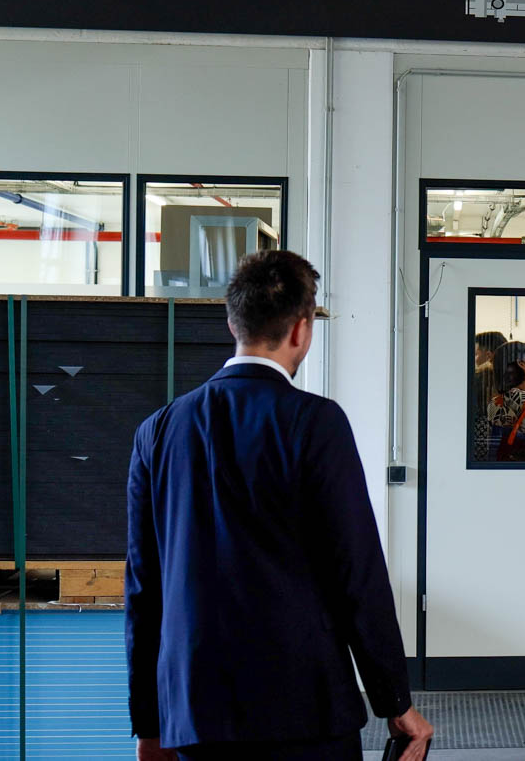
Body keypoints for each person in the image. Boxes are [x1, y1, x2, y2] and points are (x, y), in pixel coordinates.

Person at [125, 251, 433, 761]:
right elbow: (357, 572)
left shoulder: (157, 432)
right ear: (302, 331)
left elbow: (143, 587)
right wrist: (394, 701)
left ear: (232, 323)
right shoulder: (315, 423)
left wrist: (149, 722)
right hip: (305, 712)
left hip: (194, 715)